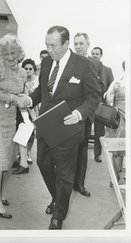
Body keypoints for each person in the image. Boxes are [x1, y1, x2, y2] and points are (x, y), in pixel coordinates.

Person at [28, 26, 101, 229]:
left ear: (66, 44)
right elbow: (42, 90)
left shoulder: (84, 65)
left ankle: (58, 215)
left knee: (65, 173)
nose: (49, 49)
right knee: (43, 164)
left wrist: (79, 113)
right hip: (46, 126)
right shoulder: (46, 61)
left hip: (68, 128)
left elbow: (94, 95)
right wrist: (29, 99)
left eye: (53, 45)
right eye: (47, 45)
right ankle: (57, 198)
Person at [0, 33, 28, 219]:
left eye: (13, 53)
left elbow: (22, 94)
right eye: (6, 54)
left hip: (10, 118)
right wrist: (12, 98)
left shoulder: (23, 72)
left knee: (7, 160)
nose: (10, 57)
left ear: (19, 53)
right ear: (2, 54)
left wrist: (23, 98)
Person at [73, 32, 106, 197]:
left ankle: (79, 184)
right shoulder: (68, 62)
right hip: (67, 114)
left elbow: (100, 88)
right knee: (65, 152)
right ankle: (63, 184)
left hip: (85, 115)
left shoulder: (96, 64)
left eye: (81, 43)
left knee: (82, 149)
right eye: (76, 43)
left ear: (87, 44)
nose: (78, 46)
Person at [12, 58, 39, 174]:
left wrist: (34, 117)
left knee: (25, 134)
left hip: (29, 110)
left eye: (30, 69)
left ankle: (24, 163)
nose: (28, 71)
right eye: (26, 68)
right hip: (20, 110)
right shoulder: (20, 78)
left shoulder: (35, 81)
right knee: (19, 134)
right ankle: (21, 161)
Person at [91, 46, 114, 162]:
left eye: (97, 54)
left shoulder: (107, 70)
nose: (95, 55)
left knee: (99, 132)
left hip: (100, 106)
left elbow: (111, 89)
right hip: (87, 105)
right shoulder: (87, 67)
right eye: (93, 53)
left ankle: (97, 154)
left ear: (101, 55)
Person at [104, 61, 126, 184]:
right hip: (121, 121)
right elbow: (107, 98)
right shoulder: (117, 82)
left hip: (122, 120)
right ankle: (115, 177)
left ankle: (115, 178)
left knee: (118, 151)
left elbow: (108, 98)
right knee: (118, 151)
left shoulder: (118, 82)